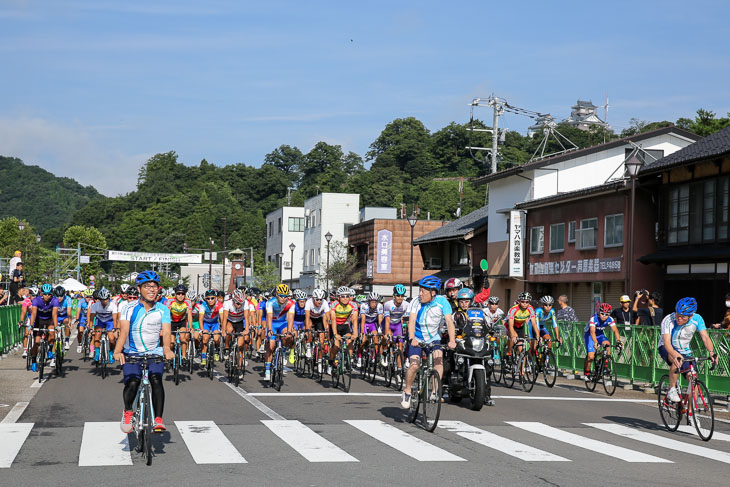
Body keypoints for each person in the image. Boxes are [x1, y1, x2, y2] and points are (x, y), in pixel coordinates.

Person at [114, 270, 174, 433]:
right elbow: (124, 331)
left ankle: (158, 419)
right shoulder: (129, 308)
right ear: (139, 288)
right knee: (132, 382)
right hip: (132, 353)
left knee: (156, 380)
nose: (151, 289)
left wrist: (167, 348)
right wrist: (118, 351)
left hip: (154, 352)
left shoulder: (163, 309)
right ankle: (128, 412)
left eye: (154, 286)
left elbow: (167, 332)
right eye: (147, 286)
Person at [401, 276, 456, 409]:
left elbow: (449, 321)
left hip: (433, 338)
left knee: (439, 359)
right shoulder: (416, 302)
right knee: (414, 365)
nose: (420, 294)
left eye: (423, 291)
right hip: (417, 338)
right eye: (419, 290)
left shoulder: (442, 302)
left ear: (433, 292)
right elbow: (412, 321)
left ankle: (434, 392)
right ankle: (407, 391)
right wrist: (412, 338)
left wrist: (452, 340)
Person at [658, 297, 718, 402]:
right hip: (666, 347)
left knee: (693, 378)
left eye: (682, 317)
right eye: (677, 314)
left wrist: (711, 352)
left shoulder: (697, 319)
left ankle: (691, 414)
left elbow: (705, 337)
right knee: (677, 360)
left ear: (691, 316)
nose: (679, 318)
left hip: (685, 349)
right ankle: (672, 389)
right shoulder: (668, 320)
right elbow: (667, 343)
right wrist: (675, 355)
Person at [583, 303, 622, 381]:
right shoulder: (594, 318)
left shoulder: (610, 319)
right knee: (591, 356)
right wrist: (595, 342)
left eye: (606, 314)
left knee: (607, 345)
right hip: (590, 335)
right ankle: (587, 372)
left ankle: (605, 366)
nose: (604, 316)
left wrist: (619, 341)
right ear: (599, 312)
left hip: (600, 335)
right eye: (602, 313)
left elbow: (615, 330)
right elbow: (592, 332)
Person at [264, 284, 295, 381]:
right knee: (271, 345)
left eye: (286, 296)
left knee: (288, 337)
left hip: (282, 323)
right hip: (272, 324)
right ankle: (268, 370)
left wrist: (289, 331)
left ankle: (284, 351)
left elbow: (290, 318)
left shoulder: (291, 303)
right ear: (277, 295)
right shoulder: (270, 302)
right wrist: (269, 330)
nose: (283, 298)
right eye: (281, 295)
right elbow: (269, 316)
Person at [28, 284, 59, 371]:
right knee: (37, 342)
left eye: (49, 294)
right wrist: (31, 325)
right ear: (41, 293)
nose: (47, 296)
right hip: (39, 320)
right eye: (45, 294)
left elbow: (54, 314)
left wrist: (56, 326)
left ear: (52, 294)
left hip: (49, 319)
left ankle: (49, 349)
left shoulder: (55, 300)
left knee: (52, 332)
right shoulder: (36, 300)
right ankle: (34, 362)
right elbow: (33, 313)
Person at [330, 286, 358, 375]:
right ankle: (331, 361)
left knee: (349, 341)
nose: (345, 298)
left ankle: (348, 363)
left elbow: (354, 319)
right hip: (335, 325)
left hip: (345, 325)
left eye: (347, 296)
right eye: (343, 296)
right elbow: (333, 319)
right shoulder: (334, 305)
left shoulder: (353, 305)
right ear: (338, 297)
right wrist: (335, 334)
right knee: (336, 346)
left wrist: (355, 332)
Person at [89, 288, 118, 364]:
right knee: (97, 334)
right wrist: (90, 328)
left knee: (111, 339)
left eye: (106, 300)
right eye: (102, 300)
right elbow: (91, 318)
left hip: (110, 322)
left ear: (109, 299)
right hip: (100, 321)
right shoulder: (95, 305)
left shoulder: (113, 305)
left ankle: (111, 353)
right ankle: (97, 353)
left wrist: (115, 328)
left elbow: (115, 319)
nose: (104, 302)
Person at [54, 286, 73, 351]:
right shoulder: (53, 299)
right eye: (57, 296)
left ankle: (67, 341)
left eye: (61, 296)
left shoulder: (68, 299)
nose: (59, 298)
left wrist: (70, 322)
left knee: (67, 323)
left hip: (65, 316)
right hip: (56, 316)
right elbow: (52, 312)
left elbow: (69, 312)